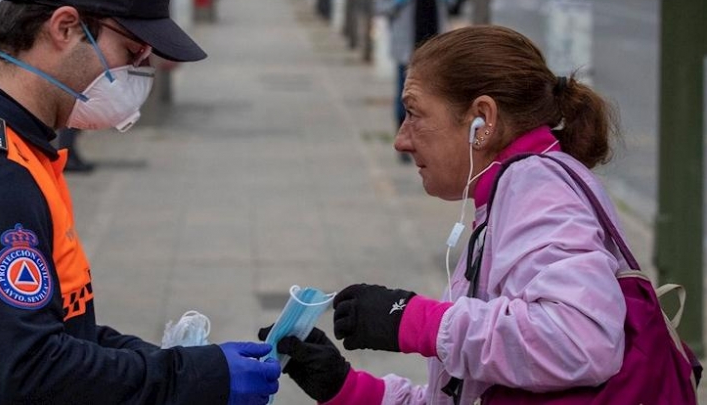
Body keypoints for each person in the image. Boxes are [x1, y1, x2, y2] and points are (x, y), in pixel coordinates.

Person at [0, 0, 279, 403]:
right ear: (65, 27)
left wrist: (186, 366)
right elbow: (31, 371)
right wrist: (190, 378)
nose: (140, 74)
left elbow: (58, 326)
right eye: (131, 53)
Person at [261, 25, 634, 404]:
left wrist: (415, 320)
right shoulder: (513, 190)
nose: (401, 139)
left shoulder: (536, 186)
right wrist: (347, 388)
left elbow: (581, 340)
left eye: (414, 113)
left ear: (482, 120)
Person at [376, 0, 454, 163]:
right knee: (406, 98)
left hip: (435, 47)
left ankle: (433, 143)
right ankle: (405, 143)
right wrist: (397, 1)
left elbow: (450, 0)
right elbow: (381, 6)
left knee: (435, 97)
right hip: (407, 49)